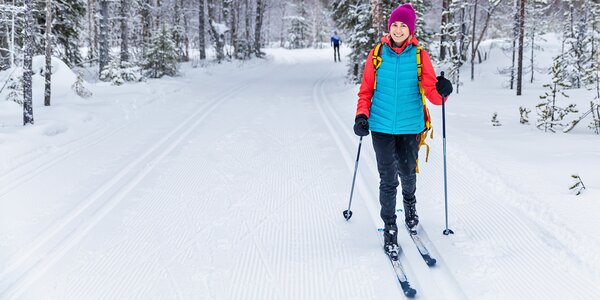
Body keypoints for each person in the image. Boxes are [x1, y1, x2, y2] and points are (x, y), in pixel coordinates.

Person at [352, 3, 453, 255]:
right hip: (381, 125)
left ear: (410, 29)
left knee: (407, 172)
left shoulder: (420, 56)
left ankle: (410, 204)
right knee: (387, 179)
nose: (398, 29)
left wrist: (443, 91)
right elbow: (365, 91)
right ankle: (389, 228)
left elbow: (432, 92)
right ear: (390, 27)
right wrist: (361, 116)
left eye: (403, 25)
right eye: (395, 25)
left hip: (410, 125)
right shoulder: (377, 54)